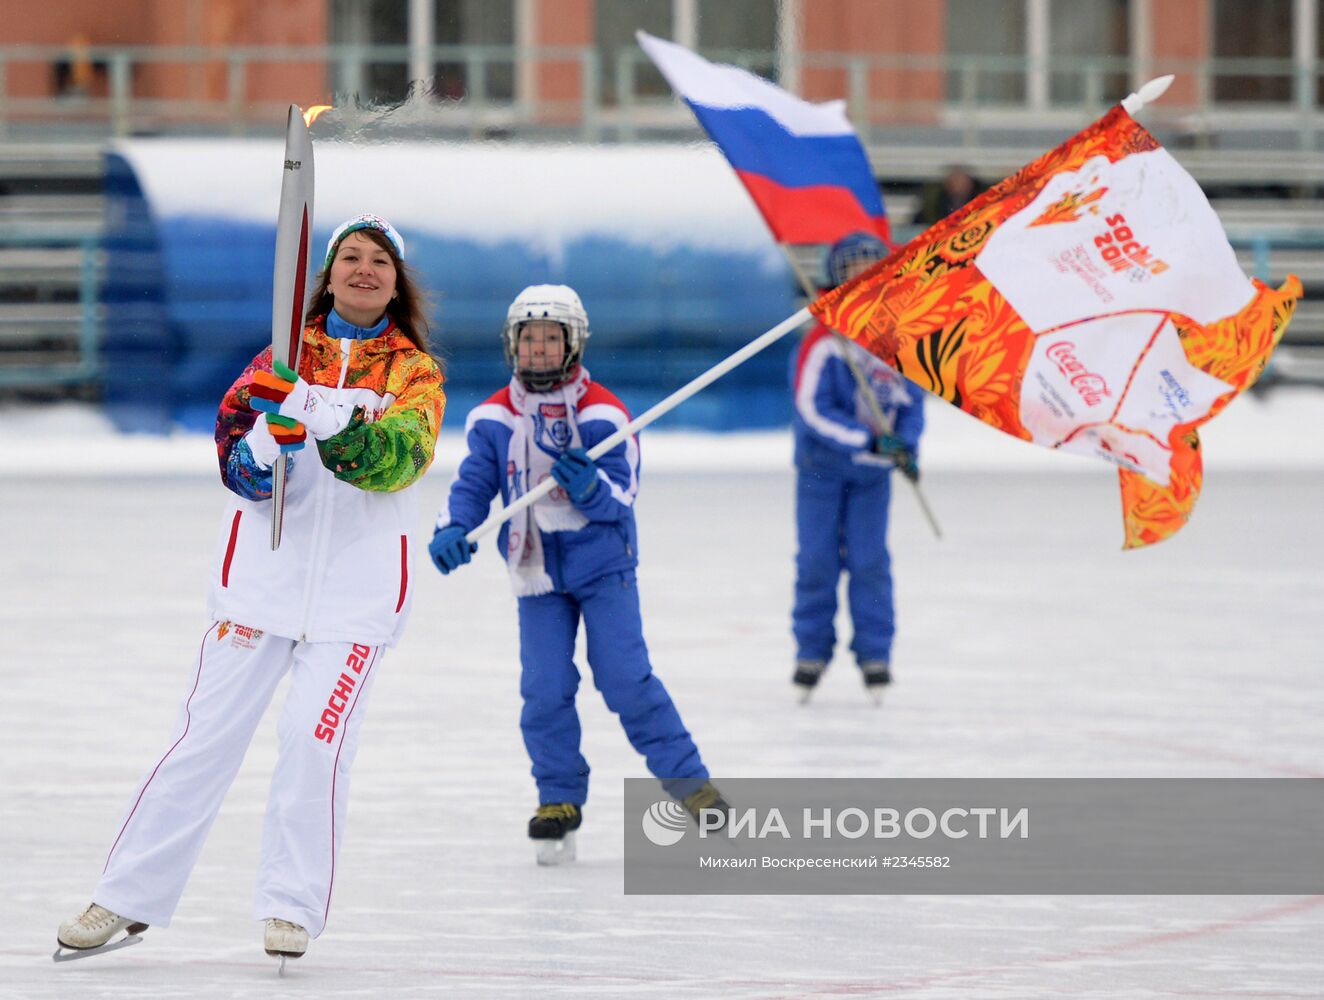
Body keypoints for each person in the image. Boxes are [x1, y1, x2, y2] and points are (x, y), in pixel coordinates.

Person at [56, 214, 445, 963]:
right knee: (202, 741)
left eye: (380, 263)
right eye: (351, 259)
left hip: (353, 603)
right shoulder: (281, 355)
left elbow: (399, 460)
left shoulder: (412, 374)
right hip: (259, 588)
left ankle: (291, 907)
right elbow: (233, 457)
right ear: (328, 274)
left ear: (398, 284)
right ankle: (125, 897)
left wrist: (322, 418)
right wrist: (267, 441)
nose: (364, 271)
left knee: (312, 743)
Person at [428, 284, 724, 863]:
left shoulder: (603, 414)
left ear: (573, 344)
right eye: (528, 338)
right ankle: (557, 799)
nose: (538, 349)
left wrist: (591, 489)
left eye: (549, 338)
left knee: (625, 678)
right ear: (512, 345)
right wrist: (451, 526)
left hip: (603, 566)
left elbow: (623, 493)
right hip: (536, 572)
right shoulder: (493, 417)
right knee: (544, 689)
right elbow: (474, 485)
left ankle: (691, 785)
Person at [790, 232, 925, 701]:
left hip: (872, 476)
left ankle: (875, 652)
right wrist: (867, 438)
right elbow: (811, 407)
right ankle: (811, 649)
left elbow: (912, 403)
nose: (862, 275)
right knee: (817, 561)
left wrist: (906, 448)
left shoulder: (898, 337)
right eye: (852, 267)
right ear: (836, 276)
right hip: (821, 470)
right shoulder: (823, 340)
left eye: (871, 265)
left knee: (870, 561)